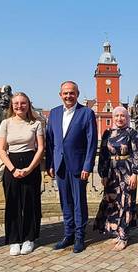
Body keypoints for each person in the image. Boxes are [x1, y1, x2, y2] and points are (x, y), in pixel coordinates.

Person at [46, 81, 97, 253]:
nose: (68, 96)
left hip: (78, 166)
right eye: (65, 93)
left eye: (72, 93)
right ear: (60, 94)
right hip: (60, 165)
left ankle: (80, 237)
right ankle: (68, 235)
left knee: (79, 203)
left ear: (77, 94)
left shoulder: (87, 113)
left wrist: (88, 166)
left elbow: (92, 142)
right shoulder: (53, 113)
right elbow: (50, 142)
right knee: (65, 202)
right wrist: (50, 164)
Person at [0, 92, 44, 256]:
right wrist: (12, 169)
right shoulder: (6, 123)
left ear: (28, 105)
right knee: (13, 202)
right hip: (12, 164)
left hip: (31, 163)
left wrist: (30, 168)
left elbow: (40, 148)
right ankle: (14, 239)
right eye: (16, 103)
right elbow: (1, 149)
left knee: (31, 202)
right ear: (12, 105)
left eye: (23, 103)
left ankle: (29, 238)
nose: (19, 106)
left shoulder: (36, 123)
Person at [93, 106, 138, 251]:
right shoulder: (108, 133)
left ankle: (124, 236)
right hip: (111, 171)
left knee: (125, 203)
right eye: (117, 116)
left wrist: (134, 173)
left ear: (127, 118)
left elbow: (136, 155)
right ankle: (117, 232)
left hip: (126, 171)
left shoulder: (132, 133)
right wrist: (102, 174)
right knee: (113, 203)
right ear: (113, 118)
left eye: (123, 116)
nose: (120, 118)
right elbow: (103, 155)